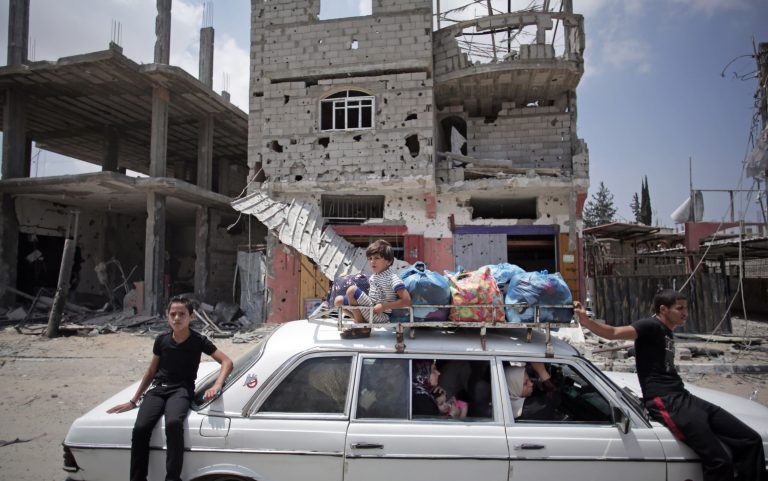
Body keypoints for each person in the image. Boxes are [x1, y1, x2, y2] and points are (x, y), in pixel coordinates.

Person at [574, 289, 766, 481]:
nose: (685, 313)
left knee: (750, 440)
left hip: (682, 396)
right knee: (719, 461)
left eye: (686, 308)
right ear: (664, 309)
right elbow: (614, 332)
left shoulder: (666, 331)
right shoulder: (650, 326)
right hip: (665, 401)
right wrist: (586, 321)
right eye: (680, 308)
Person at [107, 296, 233, 481]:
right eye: (172, 314)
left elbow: (227, 361)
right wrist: (134, 400)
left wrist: (217, 385)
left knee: (174, 424)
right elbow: (151, 371)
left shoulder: (199, 341)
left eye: (182, 314)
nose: (176, 318)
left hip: (181, 390)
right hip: (158, 389)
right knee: (140, 428)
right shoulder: (162, 340)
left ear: (191, 317)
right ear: (167, 317)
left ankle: (172, 478)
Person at [334, 239, 411, 339]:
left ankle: (361, 327)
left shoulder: (393, 278)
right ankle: (362, 323)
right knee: (338, 301)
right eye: (370, 258)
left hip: (380, 315)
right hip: (369, 310)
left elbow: (407, 301)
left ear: (388, 261)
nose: (372, 261)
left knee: (352, 290)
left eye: (376, 258)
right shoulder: (374, 277)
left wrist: (383, 306)